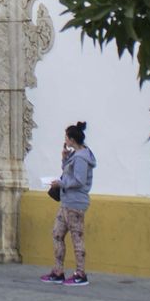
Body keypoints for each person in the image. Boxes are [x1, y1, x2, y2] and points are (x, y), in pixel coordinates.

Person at [40, 120, 96, 287]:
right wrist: (64, 160)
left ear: (72, 139)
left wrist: (61, 184)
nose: (65, 140)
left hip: (75, 203)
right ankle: (58, 271)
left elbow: (78, 180)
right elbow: (69, 173)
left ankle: (80, 273)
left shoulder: (81, 158)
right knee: (57, 234)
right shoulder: (75, 155)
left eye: (66, 137)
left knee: (76, 237)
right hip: (66, 202)